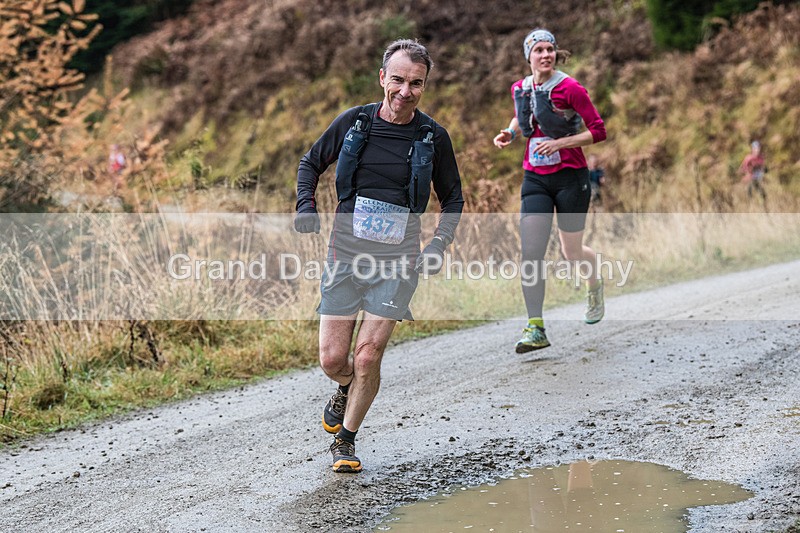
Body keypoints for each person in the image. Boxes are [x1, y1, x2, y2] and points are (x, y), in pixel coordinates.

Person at [294, 39, 464, 473]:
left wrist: (438, 245)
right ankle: (345, 386)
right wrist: (306, 207)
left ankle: (345, 442)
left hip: (399, 262)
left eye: (416, 83)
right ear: (382, 78)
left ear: (424, 86)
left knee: (368, 354)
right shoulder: (356, 123)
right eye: (399, 80)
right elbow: (310, 163)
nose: (406, 91)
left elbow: (454, 200)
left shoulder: (432, 136)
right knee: (334, 360)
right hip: (346, 255)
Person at [492, 29, 607, 353]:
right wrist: (510, 132)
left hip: (571, 177)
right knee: (531, 253)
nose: (545, 55)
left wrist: (561, 142)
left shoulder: (571, 88)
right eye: (538, 50)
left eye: (550, 49)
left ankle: (594, 283)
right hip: (535, 178)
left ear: (556, 54)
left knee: (572, 252)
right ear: (528, 56)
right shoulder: (521, 88)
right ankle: (536, 327)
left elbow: (598, 131)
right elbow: (523, 114)